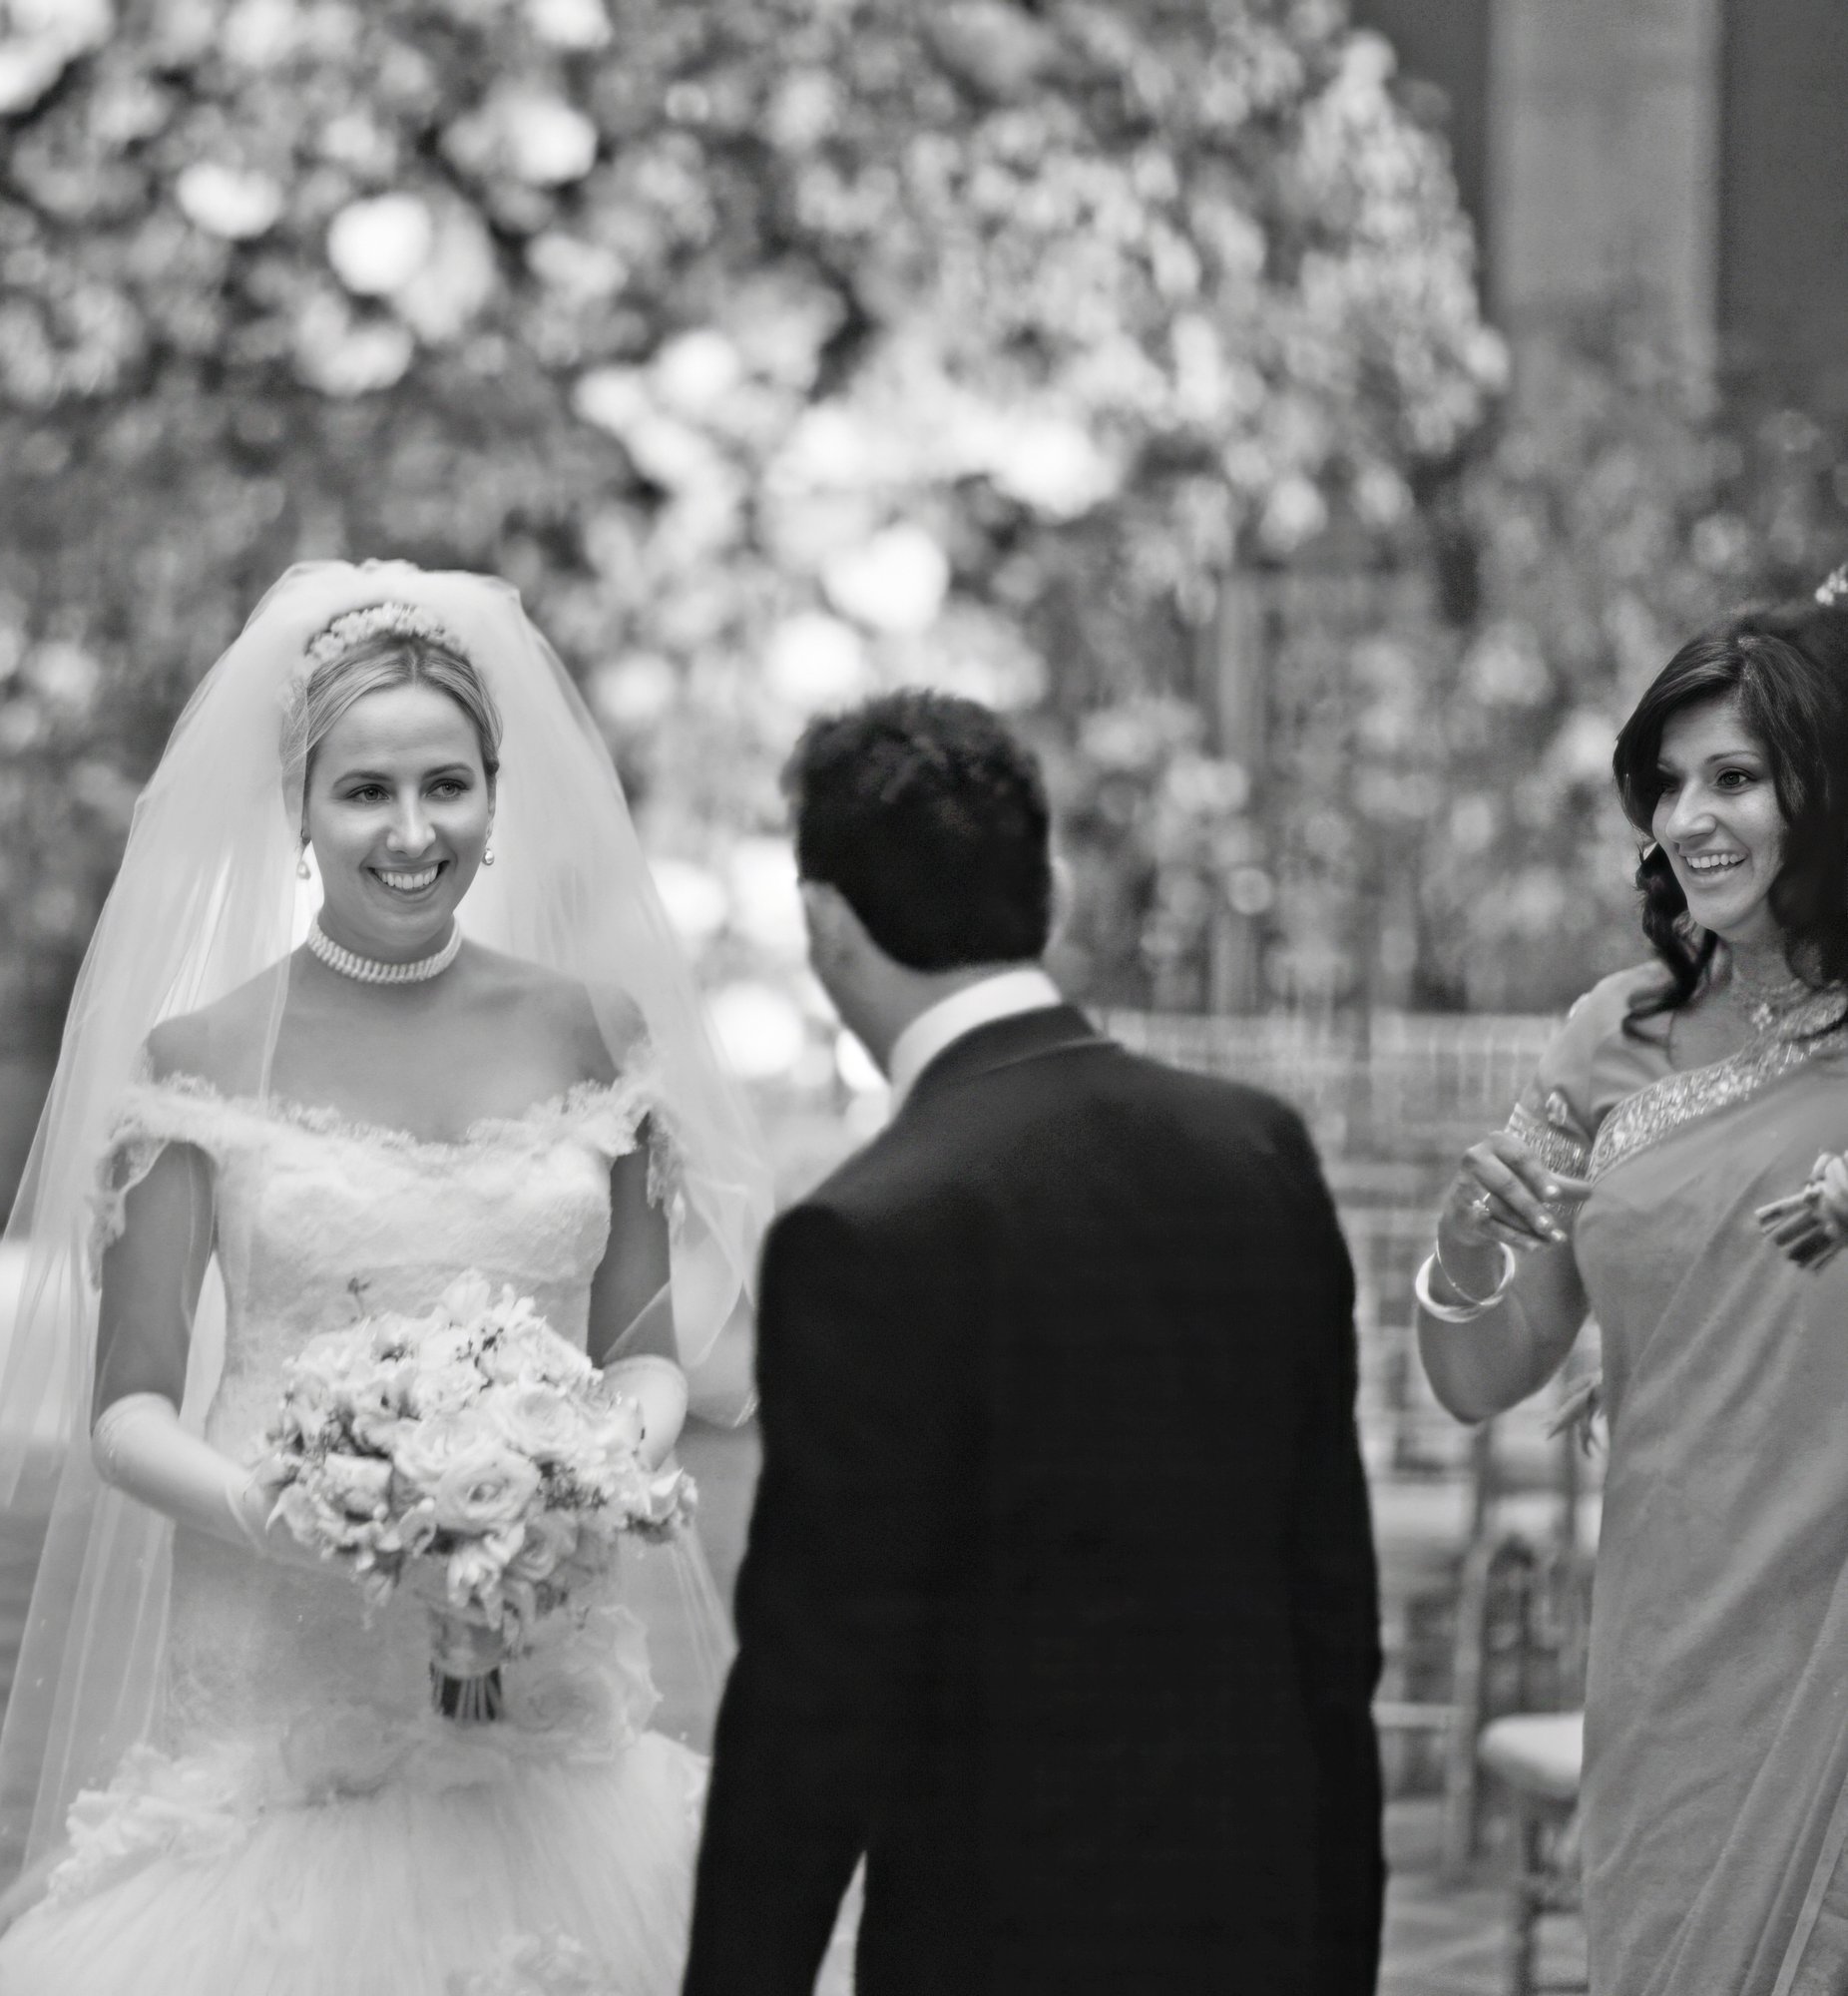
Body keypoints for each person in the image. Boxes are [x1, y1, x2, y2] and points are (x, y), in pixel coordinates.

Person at [0, 563, 772, 1994]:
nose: (409, 831)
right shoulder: (200, 1057)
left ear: (498, 798)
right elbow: (128, 1412)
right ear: (301, 807)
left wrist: (569, 1484)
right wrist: (303, 1519)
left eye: (446, 787)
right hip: (282, 1642)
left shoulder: (594, 1031)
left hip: (538, 1623)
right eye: (365, 792)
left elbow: (643, 1350)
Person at [686, 690, 1385, 1994]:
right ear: (1046, 890)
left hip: (1003, 1934)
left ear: (826, 925)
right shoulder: (1255, 1148)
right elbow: (1331, 1613)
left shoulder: (863, 1231)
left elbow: (818, 1692)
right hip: (1265, 1913)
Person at [1415, 602, 1848, 1996]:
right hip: (1675, 1645)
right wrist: (1464, 1255)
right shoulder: (1615, 1034)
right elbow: (1486, 1376)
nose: (1689, 819)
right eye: (1668, 783)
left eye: (1735, 776)